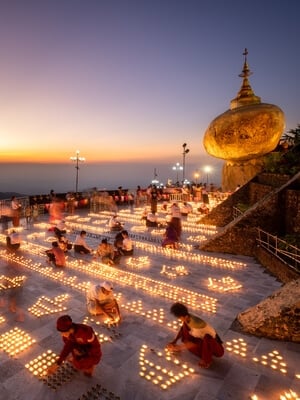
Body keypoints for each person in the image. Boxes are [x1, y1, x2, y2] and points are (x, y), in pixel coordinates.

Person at [166, 302, 224, 369]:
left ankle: (206, 360)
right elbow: (182, 330)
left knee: (207, 338)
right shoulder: (187, 318)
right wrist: (174, 341)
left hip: (215, 346)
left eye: (180, 318)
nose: (180, 319)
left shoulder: (197, 325)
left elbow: (194, 343)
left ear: (185, 316)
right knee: (185, 327)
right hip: (200, 339)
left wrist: (179, 347)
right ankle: (203, 354)